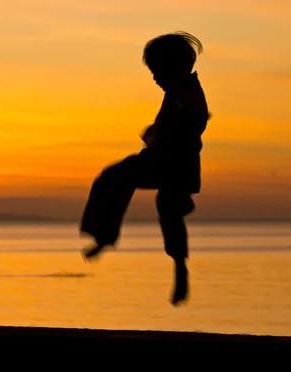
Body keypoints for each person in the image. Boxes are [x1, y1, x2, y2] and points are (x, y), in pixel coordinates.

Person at [80, 31, 210, 305]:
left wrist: (177, 125)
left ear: (174, 67)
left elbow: (191, 120)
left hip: (171, 162)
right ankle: (108, 237)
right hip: (166, 161)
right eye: (153, 72)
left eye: (157, 71)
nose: (154, 78)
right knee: (118, 182)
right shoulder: (179, 92)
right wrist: (156, 132)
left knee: (163, 206)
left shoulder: (187, 93)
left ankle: (178, 268)